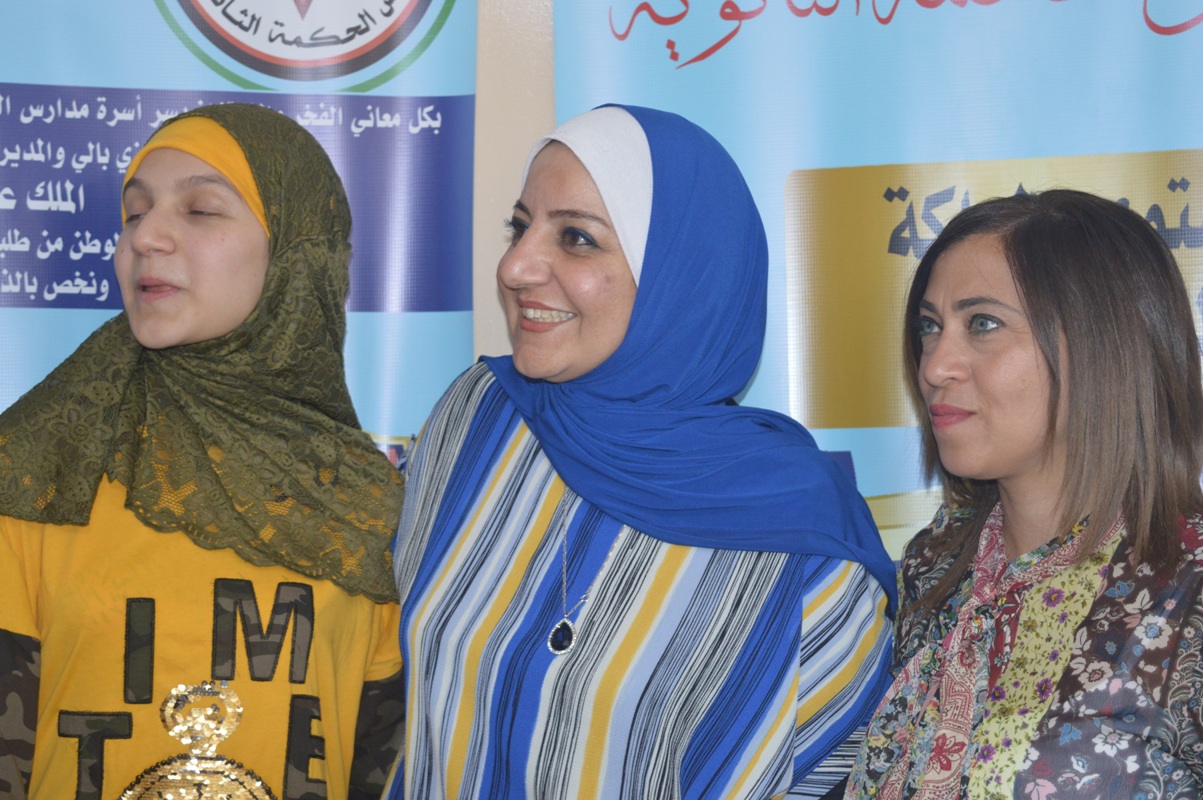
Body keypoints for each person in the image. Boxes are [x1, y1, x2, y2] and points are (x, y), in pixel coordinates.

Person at [383, 104, 896, 800]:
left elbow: (826, 769)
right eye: (519, 226)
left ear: (683, 275)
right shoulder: (477, 418)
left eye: (576, 238)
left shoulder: (797, 536)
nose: (514, 265)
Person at [0, 103, 405, 799]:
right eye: (134, 213)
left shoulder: (370, 509)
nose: (144, 237)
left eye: (201, 210)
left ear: (294, 252)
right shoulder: (39, 469)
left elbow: (383, 765)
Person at [846, 189, 1203, 799]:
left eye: (982, 324)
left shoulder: (1187, 591)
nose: (934, 365)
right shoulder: (933, 567)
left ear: (1102, 343)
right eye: (930, 326)